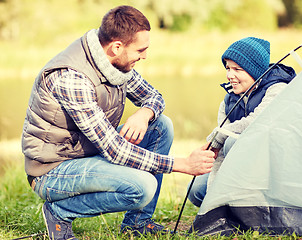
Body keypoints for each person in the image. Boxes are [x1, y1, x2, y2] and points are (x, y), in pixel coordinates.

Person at [21, 5, 214, 240]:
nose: (144, 56)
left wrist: (145, 113)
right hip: (53, 170)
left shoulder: (113, 63)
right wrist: (182, 164)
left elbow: (154, 97)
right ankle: (59, 212)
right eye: (141, 50)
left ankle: (137, 222)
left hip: (86, 153)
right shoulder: (72, 78)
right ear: (117, 47)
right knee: (143, 187)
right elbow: (114, 150)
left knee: (161, 126)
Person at [188, 37, 296, 207]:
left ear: (255, 71)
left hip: (276, 170)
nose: (230, 75)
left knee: (233, 140)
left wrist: (220, 134)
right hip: (240, 168)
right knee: (196, 190)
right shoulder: (228, 101)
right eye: (228, 68)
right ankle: (234, 209)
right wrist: (212, 200)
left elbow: (257, 122)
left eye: (237, 69)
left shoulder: (277, 89)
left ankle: (259, 207)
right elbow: (220, 151)